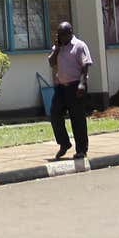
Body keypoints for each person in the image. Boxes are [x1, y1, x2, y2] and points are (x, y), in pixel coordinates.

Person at [47, 21, 93, 159]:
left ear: (70, 33)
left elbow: (85, 66)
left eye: (63, 35)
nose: (61, 37)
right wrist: (56, 49)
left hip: (76, 86)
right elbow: (51, 62)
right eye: (59, 35)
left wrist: (82, 84)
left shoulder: (79, 45)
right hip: (61, 87)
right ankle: (64, 143)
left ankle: (81, 150)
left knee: (77, 118)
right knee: (54, 114)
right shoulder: (58, 47)